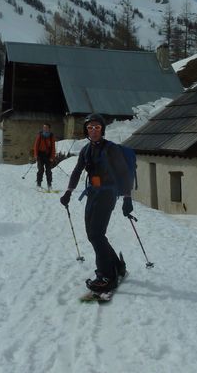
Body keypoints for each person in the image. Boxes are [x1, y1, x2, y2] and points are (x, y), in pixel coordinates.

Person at [60, 113, 133, 293]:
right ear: (86, 130)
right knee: (93, 234)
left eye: (97, 127)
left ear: (102, 129)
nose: (93, 131)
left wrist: (127, 198)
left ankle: (106, 276)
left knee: (96, 234)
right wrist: (68, 192)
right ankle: (117, 265)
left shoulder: (111, 149)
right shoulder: (86, 150)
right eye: (90, 127)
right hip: (93, 194)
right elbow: (77, 171)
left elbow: (124, 173)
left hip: (107, 194)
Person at [31, 123, 57, 189]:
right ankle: (38, 184)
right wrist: (36, 155)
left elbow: (53, 148)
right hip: (40, 155)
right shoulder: (40, 135)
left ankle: (49, 184)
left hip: (48, 156)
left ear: (49, 128)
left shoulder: (51, 136)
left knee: (48, 170)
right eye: (44, 127)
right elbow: (36, 146)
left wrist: (52, 157)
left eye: (46, 127)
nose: (45, 129)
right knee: (40, 170)